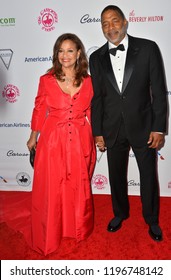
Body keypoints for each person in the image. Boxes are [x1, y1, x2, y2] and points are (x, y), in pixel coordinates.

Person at [89, 5, 167, 242]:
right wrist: (98, 131)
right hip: (112, 127)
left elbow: (159, 91)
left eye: (114, 21)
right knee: (116, 176)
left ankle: (152, 220)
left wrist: (158, 127)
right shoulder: (96, 58)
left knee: (148, 176)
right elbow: (98, 98)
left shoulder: (148, 49)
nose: (110, 27)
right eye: (104, 23)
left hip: (144, 125)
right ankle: (120, 213)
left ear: (124, 22)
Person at [27, 33, 96, 255]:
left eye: (70, 50)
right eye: (60, 51)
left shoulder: (89, 81)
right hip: (52, 140)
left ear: (78, 54)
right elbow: (39, 109)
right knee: (52, 186)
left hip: (80, 138)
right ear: (56, 54)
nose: (65, 55)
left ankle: (76, 228)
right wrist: (33, 135)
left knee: (77, 185)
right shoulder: (45, 80)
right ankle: (50, 231)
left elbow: (92, 111)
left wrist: (99, 135)